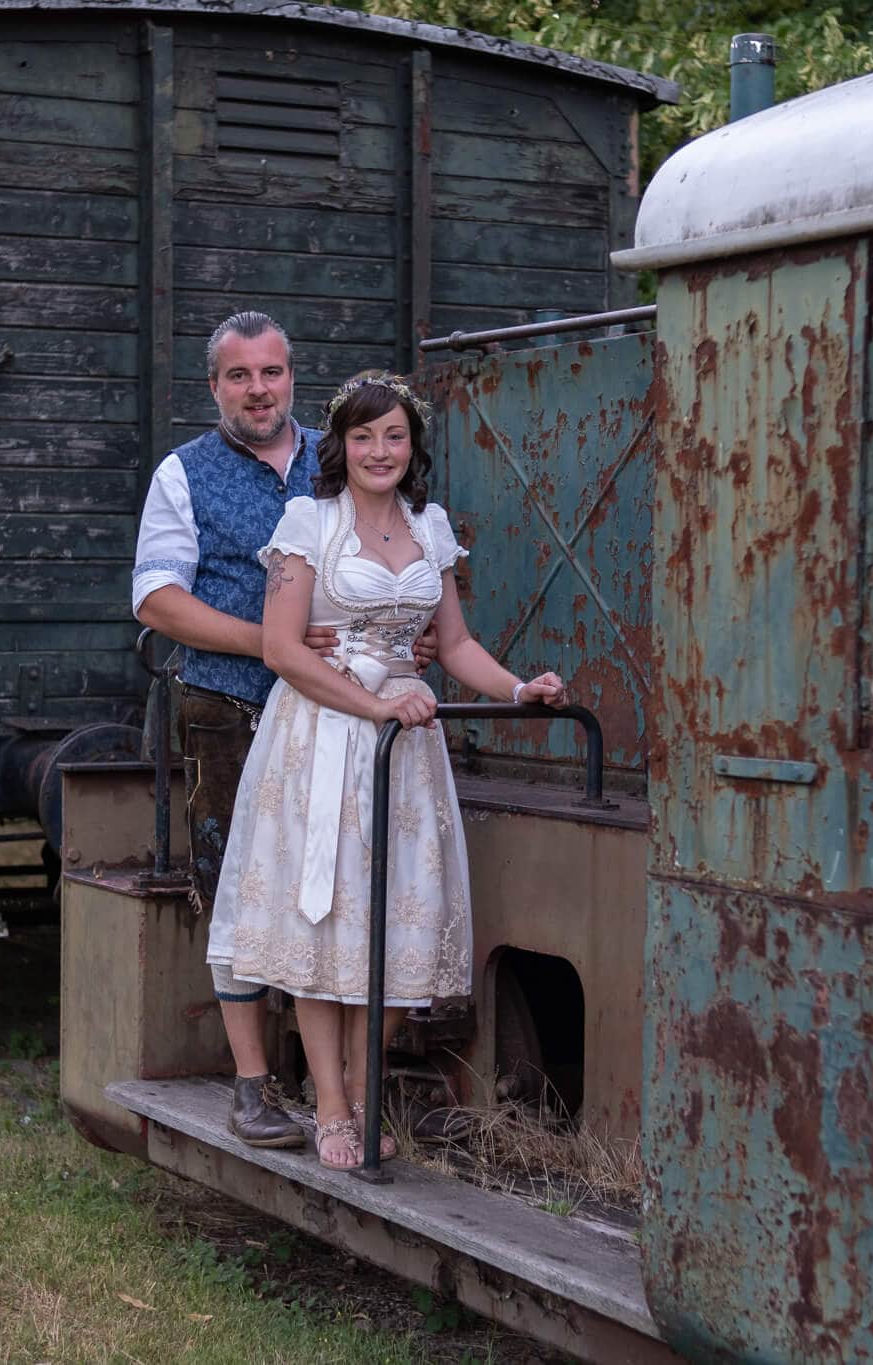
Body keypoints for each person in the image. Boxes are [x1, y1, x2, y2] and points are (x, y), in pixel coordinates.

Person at [205, 373, 565, 1169]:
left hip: (407, 747)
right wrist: (370, 709)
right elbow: (282, 649)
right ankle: (333, 1107)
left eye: (394, 436)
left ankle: (368, 1091)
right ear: (341, 444)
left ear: (413, 445)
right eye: (364, 437)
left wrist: (517, 688)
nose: (379, 451)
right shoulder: (309, 521)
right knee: (322, 924)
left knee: (399, 931)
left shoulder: (429, 528)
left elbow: (457, 643)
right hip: (324, 738)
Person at [131, 313, 437, 1148]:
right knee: (246, 886)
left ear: (292, 378)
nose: (258, 389)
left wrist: (409, 636)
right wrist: (271, 641)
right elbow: (156, 598)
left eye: (271, 372)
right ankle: (255, 1086)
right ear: (215, 387)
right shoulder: (183, 473)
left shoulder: (337, 452)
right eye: (240, 376)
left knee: (338, 896)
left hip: (338, 713)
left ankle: (329, 1089)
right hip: (229, 704)